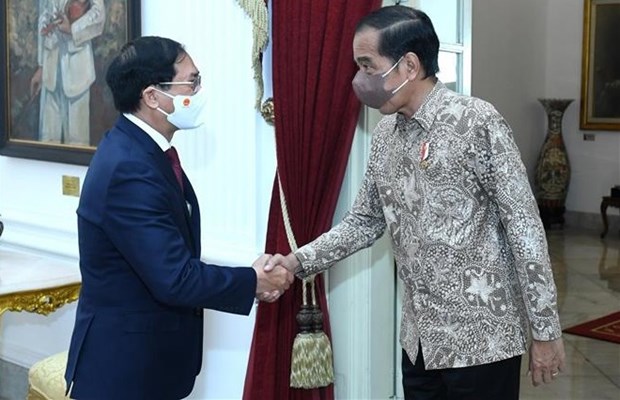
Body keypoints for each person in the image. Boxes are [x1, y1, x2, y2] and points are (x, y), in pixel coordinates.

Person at [267, 6, 565, 400]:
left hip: (482, 343)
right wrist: (295, 261)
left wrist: (544, 330)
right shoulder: (386, 133)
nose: (360, 79)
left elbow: (524, 226)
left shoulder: (476, 122)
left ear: (408, 65)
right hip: (420, 342)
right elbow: (363, 221)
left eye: (368, 65)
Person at [64, 36, 293, 400]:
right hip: (124, 373)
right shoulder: (129, 168)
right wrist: (253, 281)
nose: (199, 91)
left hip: (148, 363)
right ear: (153, 97)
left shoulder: (142, 151)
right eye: (192, 81)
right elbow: (174, 278)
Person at [30, 0, 105, 145]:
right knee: (48, 141)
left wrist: (72, 29)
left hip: (78, 70)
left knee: (78, 141)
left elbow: (99, 15)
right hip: (50, 71)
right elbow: (43, 16)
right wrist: (41, 66)